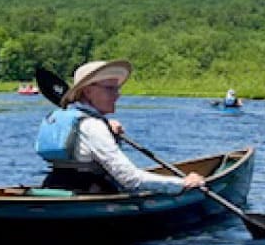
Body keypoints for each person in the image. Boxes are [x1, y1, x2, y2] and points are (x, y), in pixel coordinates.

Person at [36, 59, 206, 194]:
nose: (117, 95)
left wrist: (107, 127)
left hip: (53, 186)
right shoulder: (92, 126)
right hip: (89, 191)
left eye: (117, 89)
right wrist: (182, 183)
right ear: (88, 92)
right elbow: (129, 179)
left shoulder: (69, 118)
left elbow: (83, 144)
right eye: (110, 89)